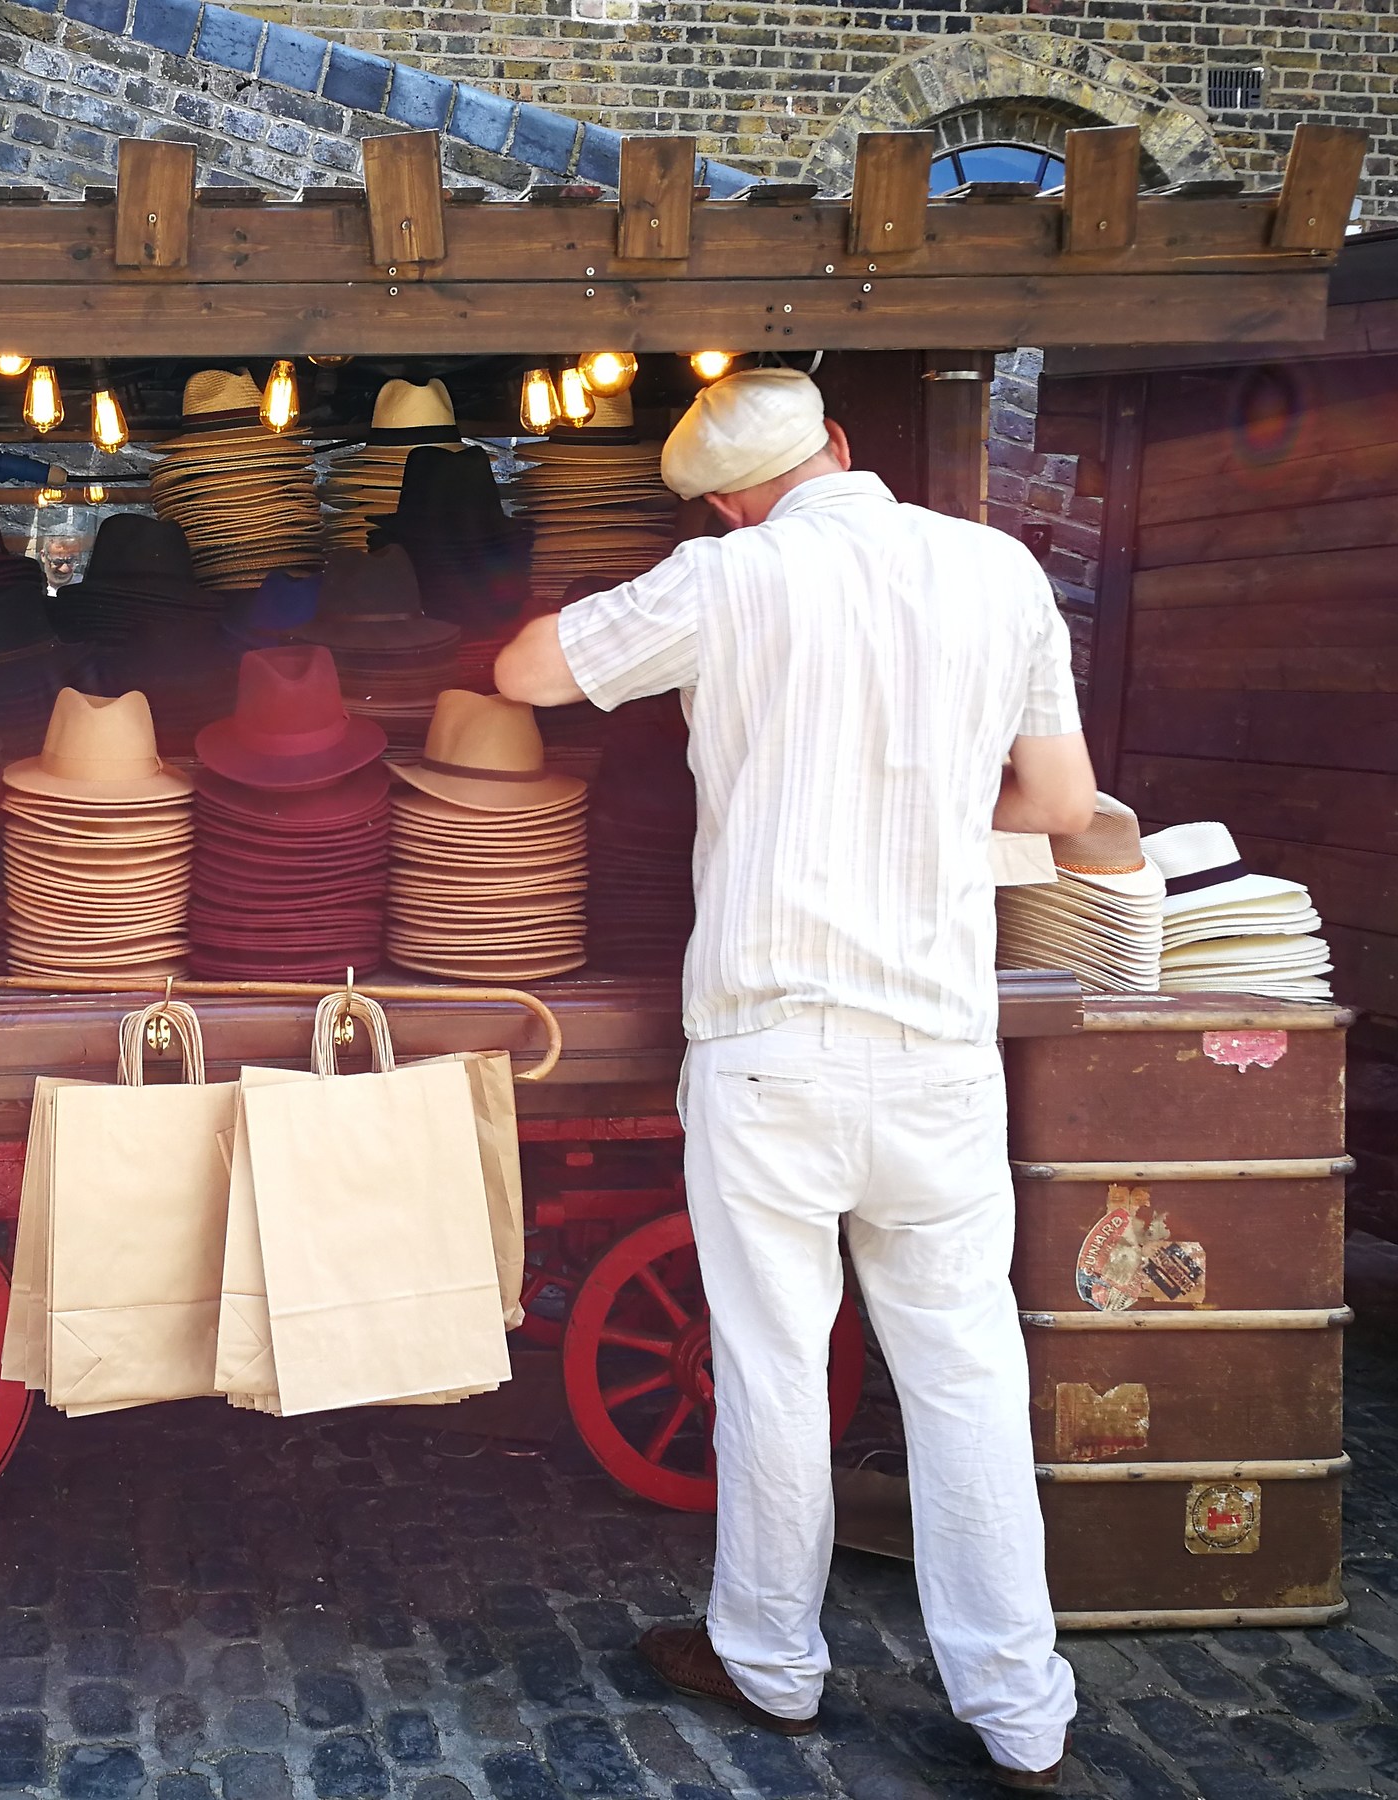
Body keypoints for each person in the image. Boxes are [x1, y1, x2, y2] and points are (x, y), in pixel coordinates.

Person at [495, 368, 1093, 1791]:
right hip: (939, 1052)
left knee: (773, 1369)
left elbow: (527, 671)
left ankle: (768, 1661)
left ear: (727, 496)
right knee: (965, 1381)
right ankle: (1020, 1708)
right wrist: (946, 808)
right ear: (840, 445)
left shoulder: (728, 573)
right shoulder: (997, 570)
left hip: (773, 1051)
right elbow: (1064, 807)